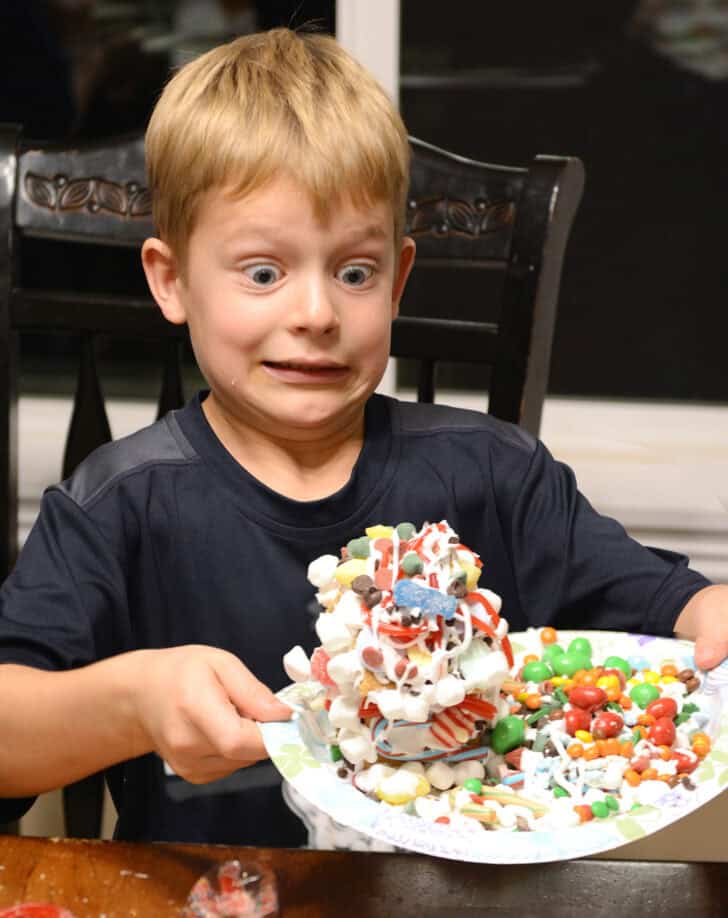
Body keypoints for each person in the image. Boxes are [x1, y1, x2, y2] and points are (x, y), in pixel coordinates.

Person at [0, 27, 726, 848]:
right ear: (171, 281)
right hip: (206, 891)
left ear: (398, 280)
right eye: (264, 272)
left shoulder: (496, 476)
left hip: (453, 894)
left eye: (354, 273)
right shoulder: (115, 507)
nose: (316, 314)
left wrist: (710, 610)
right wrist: (130, 701)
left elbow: (674, 609)